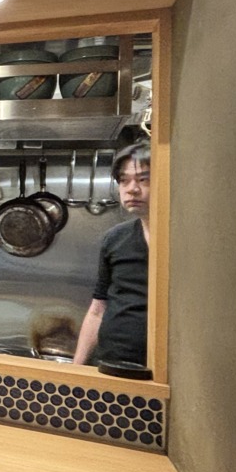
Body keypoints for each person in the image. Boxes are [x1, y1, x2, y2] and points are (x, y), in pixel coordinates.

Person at [74, 142, 150, 367]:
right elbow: (98, 309)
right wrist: (76, 369)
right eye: (124, 181)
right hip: (111, 362)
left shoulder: (182, 243)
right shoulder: (116, 238)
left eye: (143, 179)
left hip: (161, 370)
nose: (132, 189)